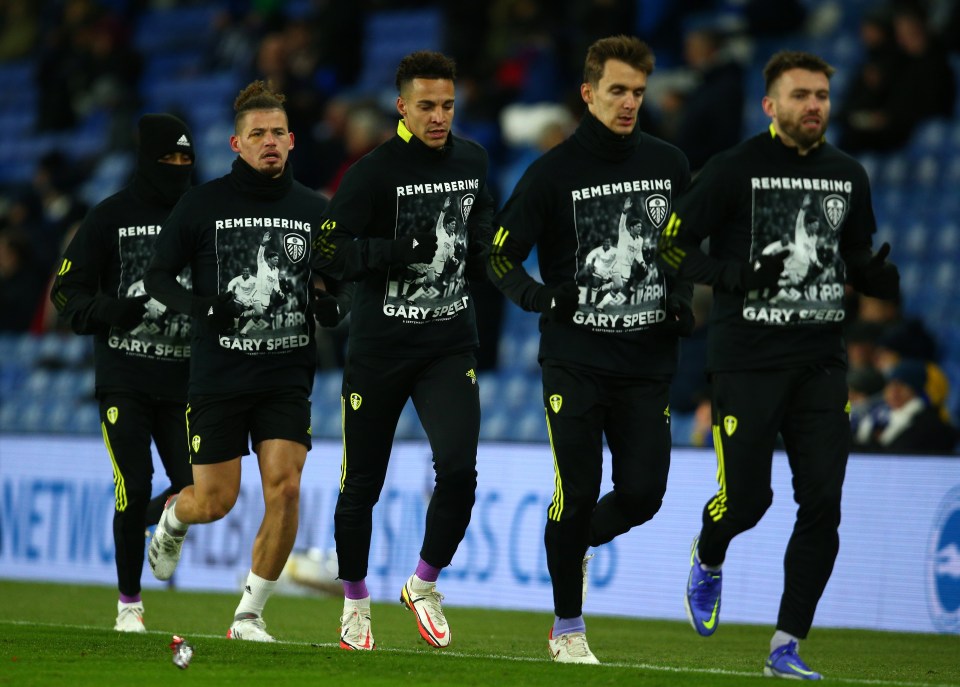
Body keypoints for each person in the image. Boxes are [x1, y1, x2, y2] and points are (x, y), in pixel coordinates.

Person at [657, 50, 901, 679]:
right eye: (800, 95)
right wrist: (735, 276)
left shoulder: (848, 173)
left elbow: (853, 252)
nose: (813, 105)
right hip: (748, 363)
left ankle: (785, 646)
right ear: (771, 105)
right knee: (747, 502)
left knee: (823, 504)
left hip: (820, 362)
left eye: (821, 94)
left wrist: (871, 276)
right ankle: (709, 557)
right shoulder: (733, 169)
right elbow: (670, 248)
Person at [487, 35, 692, 664]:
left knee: (643, 494)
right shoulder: (550, 173)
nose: (629, 102)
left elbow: (680, 242)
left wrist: (680, 294)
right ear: (587, 93)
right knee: (575, 492)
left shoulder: (669, 163)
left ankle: (570, 544)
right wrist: (541, 298)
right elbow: (498, 254)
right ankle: (568, 627)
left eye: (637, 91)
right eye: (617, 91)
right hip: (574, 360)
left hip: (645, 363)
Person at [143, 81, 348, 642]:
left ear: (292, 140)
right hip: (219, 377)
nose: (269, 142)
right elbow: (157, 276)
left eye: (277, 132)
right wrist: (200, 307)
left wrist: (332, 304)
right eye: (257, 134)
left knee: (285, 487)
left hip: (285, 375)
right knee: (215, 500)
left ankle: (249, 615)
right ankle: (173, 519)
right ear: (236, 143)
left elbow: (344, 279)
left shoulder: (313, 209)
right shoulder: (202, 204)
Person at [310, 50, 494, 651]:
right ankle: (356, 602)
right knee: (362, 482)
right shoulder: (371, 173)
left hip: (448, 345)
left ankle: (423, 582)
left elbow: (482, 234)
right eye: (426, 106)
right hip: (380, 349)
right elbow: (329, 254)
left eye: (446, 104)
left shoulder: (473, 160)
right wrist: (394, 250)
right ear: (401, 107)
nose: (438, 116)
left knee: (461, 471)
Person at [49, 113, 197, 632]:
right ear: (146, 160)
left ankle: (165, 525)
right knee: (133, 484)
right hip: (125, 379)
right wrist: (112, 311)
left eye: (185, 158)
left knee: (199, 487)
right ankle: (129, 605)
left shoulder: (200, 213)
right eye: (168, 159)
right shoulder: (109, 216)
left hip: (183, 382)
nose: (178, 167)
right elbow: (65, 293)